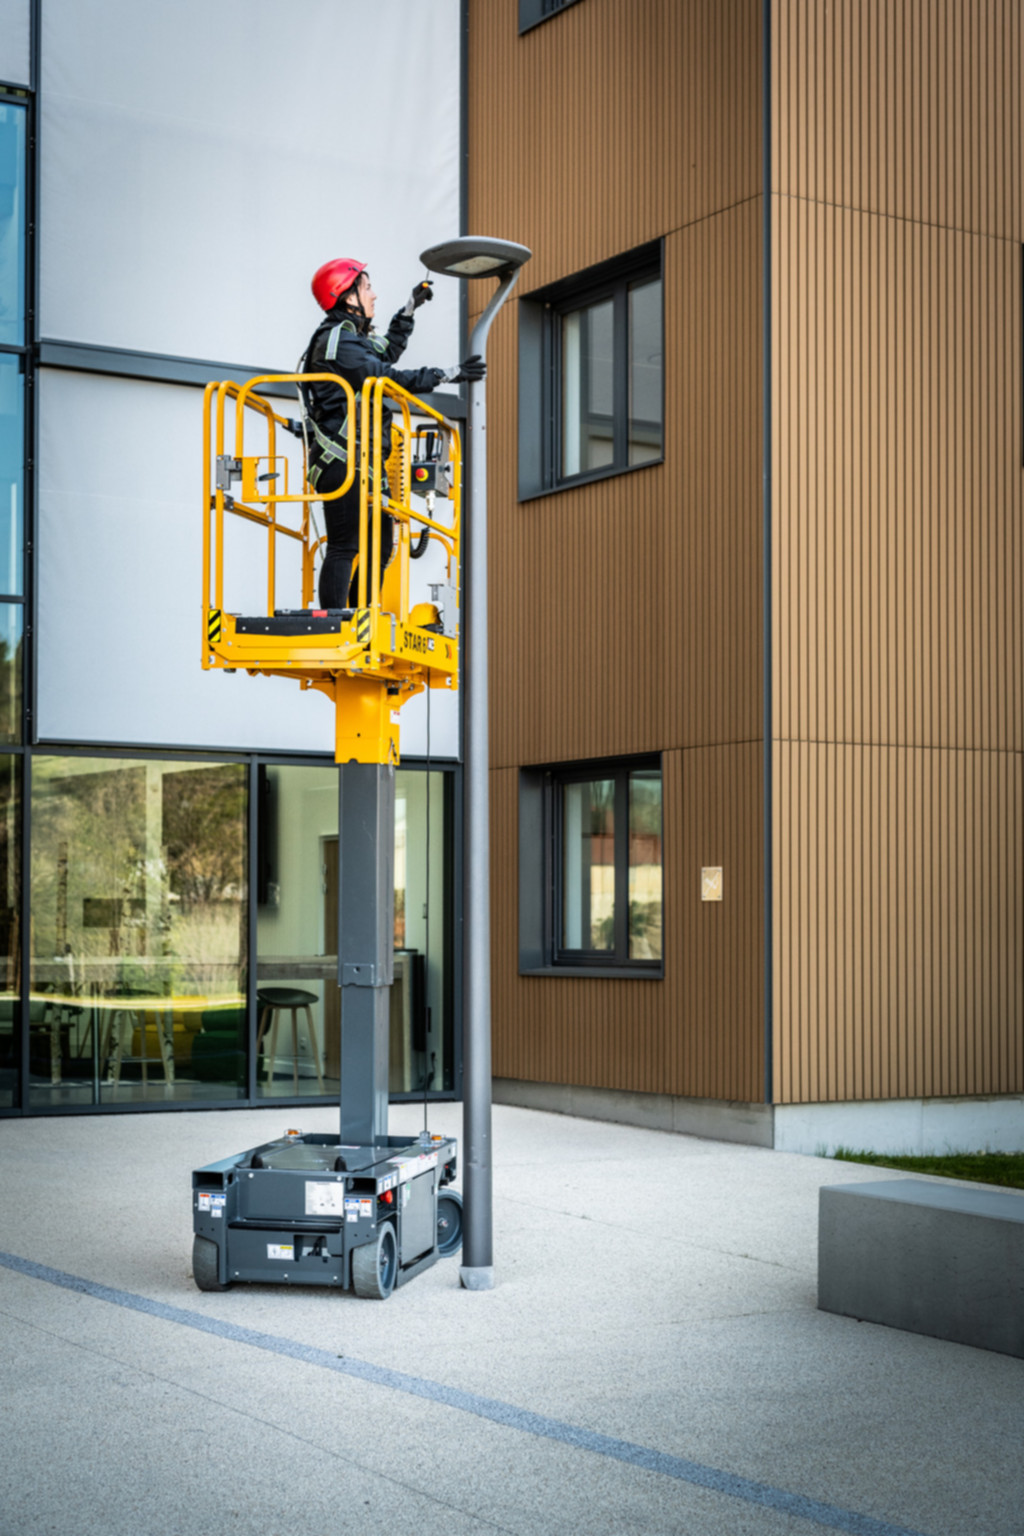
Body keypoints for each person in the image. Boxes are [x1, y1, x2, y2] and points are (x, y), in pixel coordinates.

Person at [302, 257, 484, 610]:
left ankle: (360, 618)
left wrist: (410, 308)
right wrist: (447, 374)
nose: (374, 295)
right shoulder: (337, 339)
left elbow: (385, 351)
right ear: (348, 296)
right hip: (340, 458)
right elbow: (383, 376)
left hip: (363, 462)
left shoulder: (352, 338)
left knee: (381, 544)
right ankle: (336, 621)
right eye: (367, 287)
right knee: (346, 543)